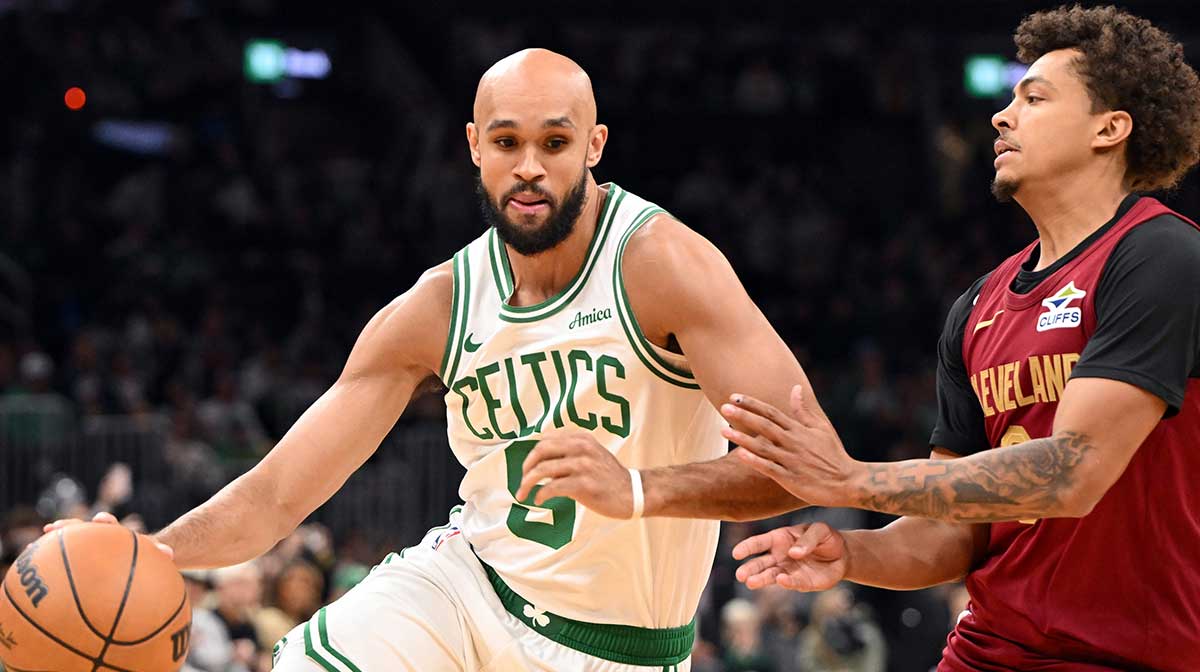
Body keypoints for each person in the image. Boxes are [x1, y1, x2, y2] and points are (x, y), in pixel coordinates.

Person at [51, 48, 821, 671]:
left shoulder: (662, 264)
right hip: (463, 593)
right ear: (473, 146)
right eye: (508, 141)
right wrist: (150, 551)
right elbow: (279, 495)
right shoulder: (439, 305)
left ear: (594, 146)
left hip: (622, 647)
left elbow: (807, 464)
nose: (530, 167)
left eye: (555, 143)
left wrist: (639, 489)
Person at [720, 6, 1200, 670]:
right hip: (986, 648)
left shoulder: (1161, 255)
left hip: (1130, 653)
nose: (1003, 116)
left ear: (1109, 128)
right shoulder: (978, 303)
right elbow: (952, 531)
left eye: (1034, 98)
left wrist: (854, 480)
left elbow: (1074, 471)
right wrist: (852, 553)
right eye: (1008, 99)